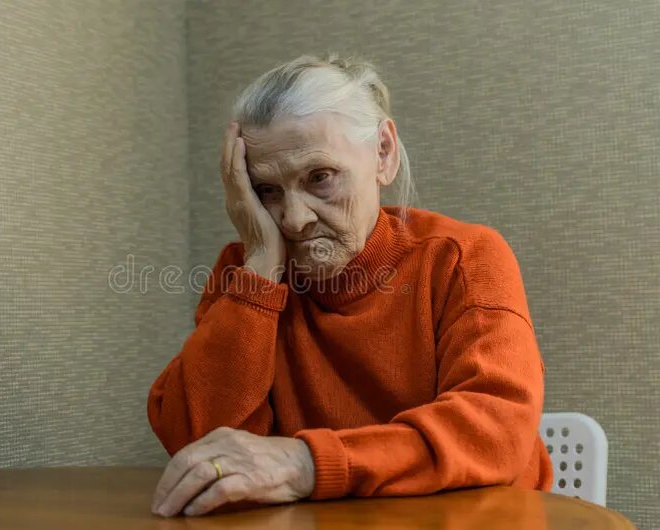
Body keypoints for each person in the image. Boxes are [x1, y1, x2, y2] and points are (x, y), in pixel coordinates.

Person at [147, 53, 552, 518]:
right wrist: (259, 269)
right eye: (266, 191)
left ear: (383, 153)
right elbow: (200, 449)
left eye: (320, 178)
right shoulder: (246, 272)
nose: (294, 220)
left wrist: (305, 463)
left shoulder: (463, 257)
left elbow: (495, 432)